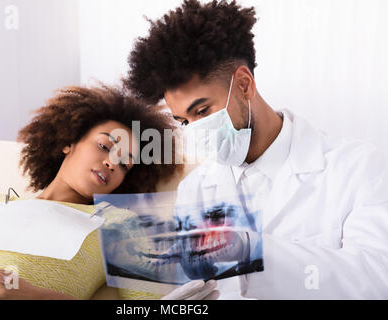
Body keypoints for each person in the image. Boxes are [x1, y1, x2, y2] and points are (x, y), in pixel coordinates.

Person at [124, 0, 388, 299]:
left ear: (244, 85)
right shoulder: (195, 190)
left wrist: (252, 250)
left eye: (202, 110)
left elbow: (377, 278)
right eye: (184, 121)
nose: (195, 129)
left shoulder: (358, 168)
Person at [0, 85, 218, 300]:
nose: (112, 163)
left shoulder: (119, 224)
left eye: (124, 164)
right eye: (105, 147)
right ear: (68, 142)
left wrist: (31, 295)